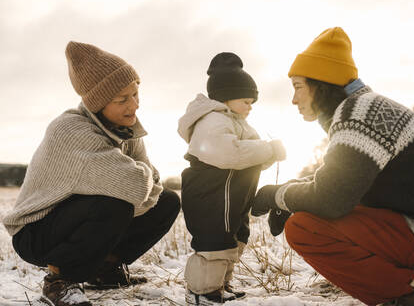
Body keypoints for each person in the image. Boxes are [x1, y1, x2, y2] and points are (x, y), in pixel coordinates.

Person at [251, 27, 414, 306]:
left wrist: (279, 196)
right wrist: (289, 192)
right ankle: (397, 279)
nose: (294, 99)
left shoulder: (359, 116)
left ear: (321, 84)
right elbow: (341, 181)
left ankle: (409, 293)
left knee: (304, 227)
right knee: (321, 211)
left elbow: (331, 199)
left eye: (298, 87)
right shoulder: (364, 109)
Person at [2, 42, 181, 306]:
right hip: (35, 232)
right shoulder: (71, 130)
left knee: (167, 201)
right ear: (98, 104)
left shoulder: (126, 129)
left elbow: (150, 184)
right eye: (122, 99)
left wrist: (138, 181)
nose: (134, 105)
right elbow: (135, 186)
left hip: (75, 217)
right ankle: (59, 281)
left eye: (135, 94)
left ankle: (103, 268)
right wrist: (138, 180)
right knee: (114, 203)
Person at [178, 52, 286, 305]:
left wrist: (268, 154)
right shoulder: (212, 120)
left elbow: (251, 154)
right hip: (212, 194)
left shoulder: (238, 122)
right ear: (226, 96)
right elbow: (230, 154)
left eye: (252, 102)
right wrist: (269, 149)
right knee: (214, 242)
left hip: (232, 195)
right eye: (246, 101)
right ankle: (201, 291)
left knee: (232, 239)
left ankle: (220, 285)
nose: (250, 107)